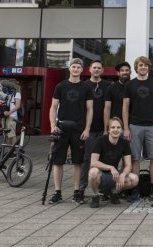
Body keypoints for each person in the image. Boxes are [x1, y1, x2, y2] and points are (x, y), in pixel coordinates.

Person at [49, 58, 94, 204]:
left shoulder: (86, 88)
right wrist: (52, 125)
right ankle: (57, 192)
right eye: (73, 67)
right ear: (69, 68)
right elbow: (53, 107)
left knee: (78, 162)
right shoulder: (61, 86)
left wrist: (87, 129)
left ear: (82, 70)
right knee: (58, 161)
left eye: (78, 67)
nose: (76, 69)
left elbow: (90, 110)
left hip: (79, 129)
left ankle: (77, 192)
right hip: (61, 128)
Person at [123, 56, 153, 202]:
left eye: (146, 65)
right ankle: (134, 189)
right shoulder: (130, 85)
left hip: (152, 125)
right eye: (141, 65)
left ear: (148, 68)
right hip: (135, 125)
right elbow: (125, 107)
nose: (143, 67)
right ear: (136, 67)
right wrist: (126, 128)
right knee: (135, 158)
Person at [88, 117, 139, 208]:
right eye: (113, 127)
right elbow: (93, 162)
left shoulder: (124, 143)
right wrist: (111, 167)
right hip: (101, 175)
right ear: (108, 130)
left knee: (134, 179)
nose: (116, 130)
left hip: (114, 176)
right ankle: (96, 195)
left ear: (122, 130)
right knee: (93, 172)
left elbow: (128, 165)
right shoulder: (100, 141)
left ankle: (114, 192)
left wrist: (123, 175)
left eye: (118, 127)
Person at [80, 60, 111, 196]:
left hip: (103, 128)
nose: (97, 70)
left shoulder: (108, 86)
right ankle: (81, 187)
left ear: (103, 70)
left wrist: (107, 128)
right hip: (89, 129)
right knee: (87, 158)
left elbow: (108, 108)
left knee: (104, 159)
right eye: (94, 68)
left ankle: (104, 188)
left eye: (99, 68)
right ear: (89, 70)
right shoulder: (83, 85)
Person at [104, 61, 131, 130]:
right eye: (122, 70)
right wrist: (106, 128)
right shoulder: (111, 88)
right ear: (118, 73)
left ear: (130, 72)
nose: (125, 72)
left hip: (132, 125)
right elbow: (107, 109)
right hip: (115, 125)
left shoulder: (134, 86)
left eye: (127, 70)